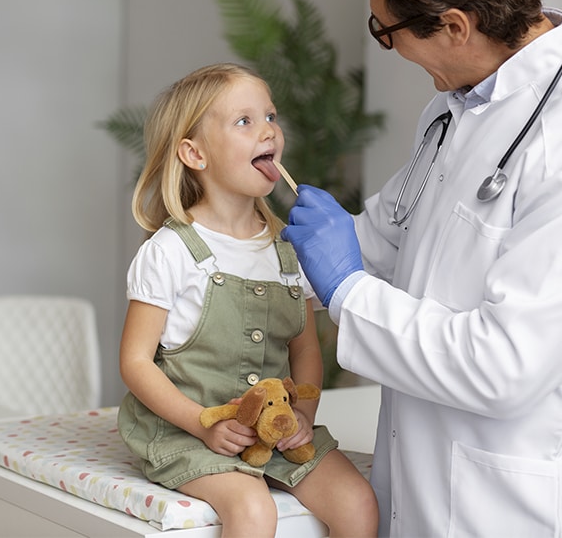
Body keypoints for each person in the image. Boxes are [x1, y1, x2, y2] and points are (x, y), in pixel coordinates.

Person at [281, 0, 562, 536]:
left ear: (455, 26)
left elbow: (504, 366)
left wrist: (346, 288)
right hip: (416, 483)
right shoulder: (453, 110)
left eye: (385, 33)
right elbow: (385, 241)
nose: (388, 50)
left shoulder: (561, 141)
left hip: (499, 506)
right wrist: (229, 271)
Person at [117, 63, 378, 538]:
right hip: (187, 431)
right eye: (245, 121)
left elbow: (304, 350)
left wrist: (303, 418)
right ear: (195, 153)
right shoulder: (170, 251)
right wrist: (201, 425)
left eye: (271, 116)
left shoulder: (287, 248)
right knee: (255, 512)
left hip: (272, 430)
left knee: (358, 502)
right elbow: (136, 362)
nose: (269, 131)